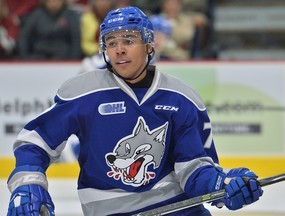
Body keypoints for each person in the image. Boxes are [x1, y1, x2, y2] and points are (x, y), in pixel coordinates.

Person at [6, 6, 263, 216]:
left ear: (149, 45)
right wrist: (29, 182)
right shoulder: (82, 92)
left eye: (129, 40)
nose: (119, 48)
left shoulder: (182, 98)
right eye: (111, 41)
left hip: (178, 211)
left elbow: (194, 169)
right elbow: (35, 141)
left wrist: (222, 185)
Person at [17, 0, 82, 60]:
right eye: (51, 1)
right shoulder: (37, 14)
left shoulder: (69, 15)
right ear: (45, 2)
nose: (54, 3)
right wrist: (24, 57)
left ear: (63, 1)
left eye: (57, 0)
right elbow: (24, 35)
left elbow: (76, 38)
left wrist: (74, 59)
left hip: (63, 55)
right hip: (40, 54)